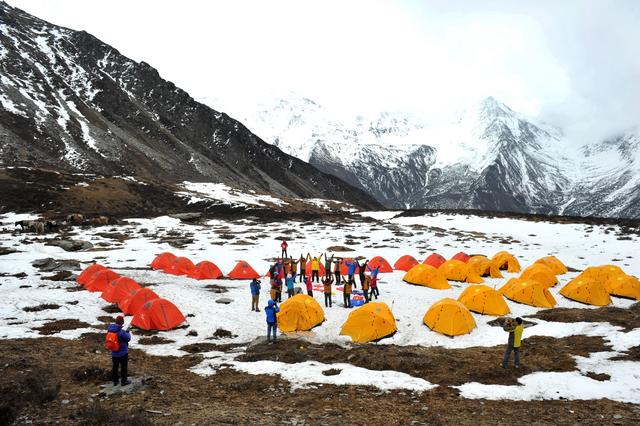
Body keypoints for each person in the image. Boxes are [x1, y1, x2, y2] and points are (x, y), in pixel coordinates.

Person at [107, 315, 131, 386]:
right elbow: (128, 338)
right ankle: (124, 381)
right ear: (122, 322)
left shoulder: (110, 330)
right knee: (123, 367)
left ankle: (115, 381)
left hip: (114, 352)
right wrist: (127, 332)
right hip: (123, 353)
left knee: (115, 367)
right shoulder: (121, 331)